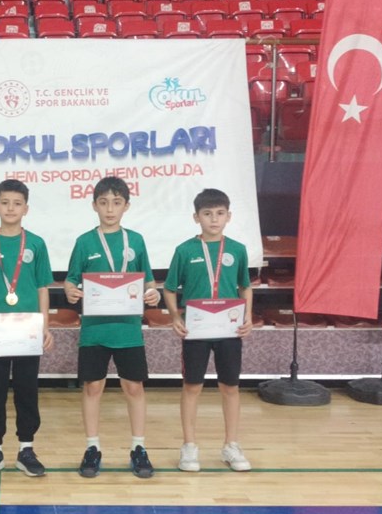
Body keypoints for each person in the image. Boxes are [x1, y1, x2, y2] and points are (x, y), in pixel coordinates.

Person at [64, 177, 161, 479]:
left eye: (116, 203)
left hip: (128, 330)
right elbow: (71, 279)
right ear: (94, 205)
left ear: (126, 206)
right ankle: (92, 447)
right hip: (94, 330)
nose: (110, 209)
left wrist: (153, 294)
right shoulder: (84, 242)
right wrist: (70, 291)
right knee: (93, 387)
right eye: (104, 203)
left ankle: (138, 447)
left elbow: (149, 281)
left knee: (134, 387)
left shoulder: (137, 241)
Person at [163, 188, 254, 473]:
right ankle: (189, 446)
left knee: (231, 387)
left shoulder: (237, 249)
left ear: (229, 216)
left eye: (219, 213)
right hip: (196, 330)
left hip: (229, 330)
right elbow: (169, 288)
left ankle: (231, 445)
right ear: (196, 217)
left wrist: (248, 316)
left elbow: (245, 287)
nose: (214, 219)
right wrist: (175, 316)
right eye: (207, 214)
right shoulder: (185, 250)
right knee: (192, 386)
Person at [0, 180, 54, 477]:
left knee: (26, 390)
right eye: (5, 202)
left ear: (26, 209)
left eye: (17, 203)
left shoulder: (36, 244)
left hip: (28, 331)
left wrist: (45, 326)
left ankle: (26, 449)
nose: (10, 208)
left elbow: (43, 288)